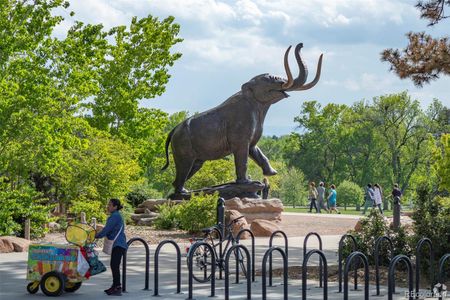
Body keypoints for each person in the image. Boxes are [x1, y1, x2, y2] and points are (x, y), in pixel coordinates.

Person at [95, 198, 128, 296]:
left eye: (110, 205)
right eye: (108, 204)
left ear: (115, 207)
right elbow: (108, 230)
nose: (108, 206)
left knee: (114, 265)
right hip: (118, 244)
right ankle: (115, 286)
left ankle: (117, 287)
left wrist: (95, 235)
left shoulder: (115, 216)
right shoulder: (115, 215)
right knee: (114, 265)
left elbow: (106, 230)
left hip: (119, 244)